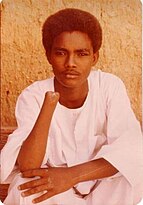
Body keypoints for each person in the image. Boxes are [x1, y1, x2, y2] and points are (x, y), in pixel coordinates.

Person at [1, 8, 143, 205]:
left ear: (94, 57)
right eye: (61, 53)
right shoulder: (32, 95)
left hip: (102, 190)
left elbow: (131, 149)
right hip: (57, 194)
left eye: (81, 54)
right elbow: (28, 166)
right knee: (23, 189)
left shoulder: (109, 86)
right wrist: (49, 105)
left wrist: (71, 176)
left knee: (133, 177)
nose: (70, 63)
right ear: (49, 56)